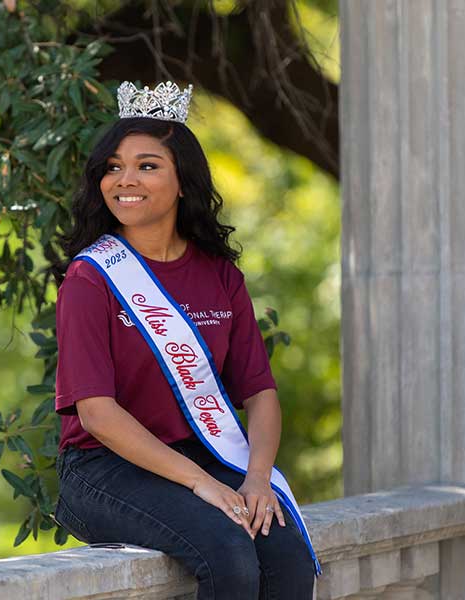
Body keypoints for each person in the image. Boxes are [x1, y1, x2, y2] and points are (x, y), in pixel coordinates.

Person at [52, 81, 317, 600]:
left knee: (285, 550)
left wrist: (258, 478)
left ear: (182, 182)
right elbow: (98, 416)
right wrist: (202, 483)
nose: (125, 180)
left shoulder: (219, 275)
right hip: (102, 471)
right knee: (227, 550)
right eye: (113, 166)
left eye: (147, 165)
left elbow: (260, 393)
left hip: (203, 452)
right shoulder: (90, 279)